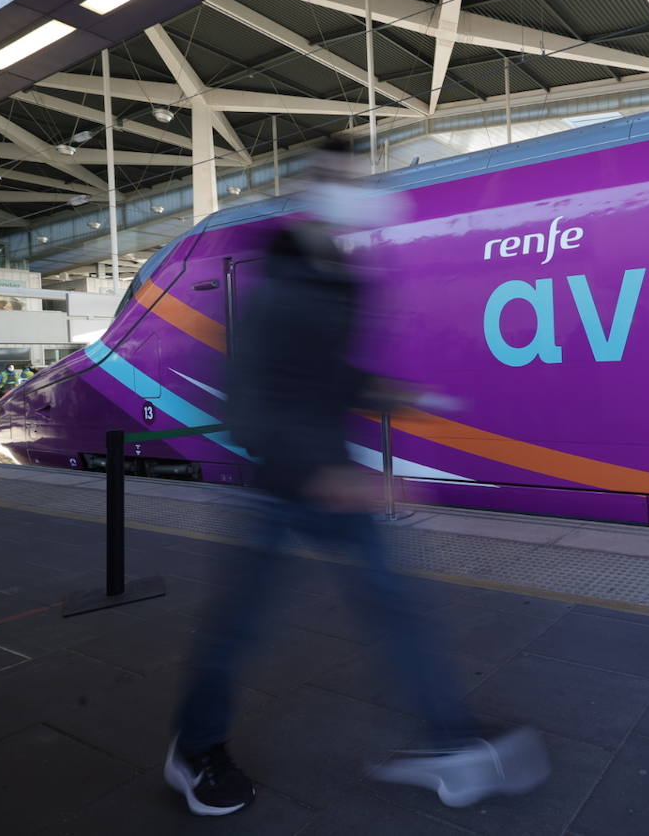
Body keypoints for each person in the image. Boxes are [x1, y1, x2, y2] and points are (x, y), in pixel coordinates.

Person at [165, 140, 549, 817]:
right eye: (347, 181)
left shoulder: (338, 277)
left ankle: (448, 741)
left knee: (396, 607)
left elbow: (327, 376)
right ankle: (194, 749)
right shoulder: (277, 286)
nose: (359, 193)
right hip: (285, 485)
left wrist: (390, 394)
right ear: (317, 192)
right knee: (239, 628)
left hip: (331, 476)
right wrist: (321, 474)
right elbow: (247, 401)